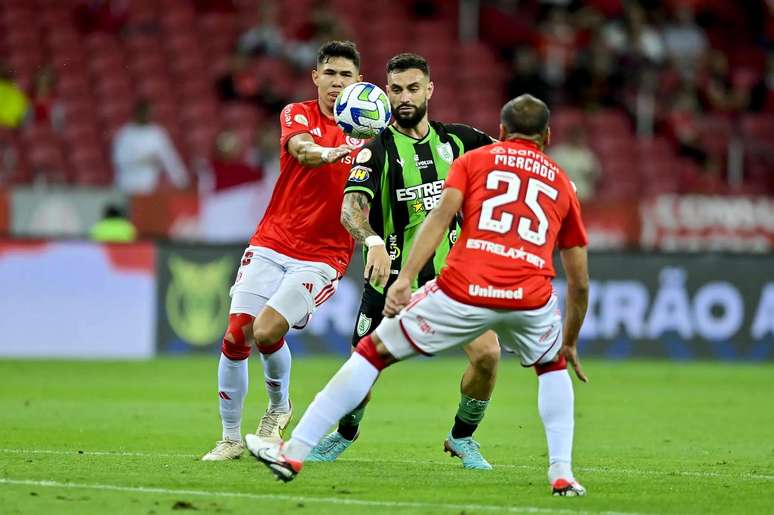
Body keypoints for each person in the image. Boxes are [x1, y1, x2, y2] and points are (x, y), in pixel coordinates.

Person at [247, 94, 591, 497]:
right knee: (551, 369)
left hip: (465, 286)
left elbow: (440, 218)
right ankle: (563, 475)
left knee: (372, 355)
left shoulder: (469, 159)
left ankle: (292, 453)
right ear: (548, 136)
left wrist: (405, 277)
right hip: (531, 296)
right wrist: (568, 341)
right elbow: (580, 282)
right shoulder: (562, 181)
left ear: (500, 132)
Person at [307, 53, 500, 469]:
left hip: (453, 280)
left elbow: (511, 159)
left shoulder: (460, 141)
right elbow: (351, 210)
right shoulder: (373, 152)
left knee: (487, 355)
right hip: (390, 282)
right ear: (385, 92)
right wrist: (373, 238)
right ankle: (345, 432)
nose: (405, 97)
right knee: (361, 370)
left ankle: (462, 437)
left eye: (414, 88)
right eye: (396, 89)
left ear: (429, 90)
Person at [201, 41, 363, 461]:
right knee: (236, 333)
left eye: (346, 75)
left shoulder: (374, 137)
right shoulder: (297, 113)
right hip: (272, 241)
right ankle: (231, 438)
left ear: (358, 82)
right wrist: (331, 152)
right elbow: (302, 151)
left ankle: (278, 409)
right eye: (330, 74)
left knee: (268, 330)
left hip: (324, 255)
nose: (336, 83)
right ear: (315, 77)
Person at [111, 100, 189, 195]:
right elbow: (118, 159)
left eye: (149, 113)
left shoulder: (157, 133)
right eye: (144, 113)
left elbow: (169, 158)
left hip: (149, 186)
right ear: (137, 114)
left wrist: (180, 180)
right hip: (128, 185)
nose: (147, 116)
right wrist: (142, 159)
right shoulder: (125, 134)